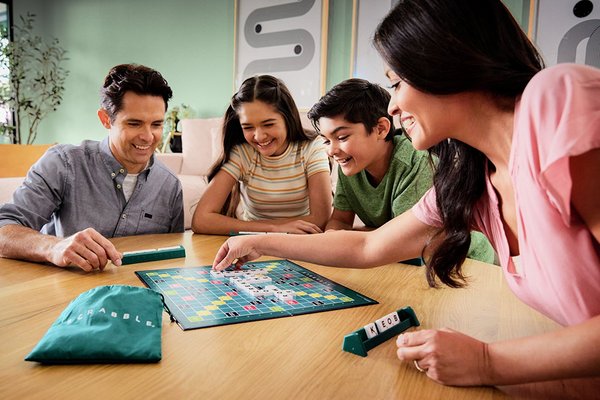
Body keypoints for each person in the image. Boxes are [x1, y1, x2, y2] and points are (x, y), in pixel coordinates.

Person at [211, 0, 600, 392]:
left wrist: (488, 362)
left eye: (397, 82)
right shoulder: (470, 179)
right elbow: (369, 248)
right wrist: (260, 241)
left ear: (444, 60)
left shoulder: (556, 101)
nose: (393, 105)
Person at [0, 63, 184, 272]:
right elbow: (3, 230)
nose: (148, 136)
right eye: (134, 124)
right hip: (63, 296)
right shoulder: (63, 163)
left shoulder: (170, 186)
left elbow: (173, 258)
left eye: (157, 124)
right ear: (106, 119)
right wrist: (54, 246)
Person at [309, 78, 496, 264]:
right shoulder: (351, 163)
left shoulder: (416, 163)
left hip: (462, 261)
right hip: (395, 258)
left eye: (342, 137)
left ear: (381, 129)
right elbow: (340, 221)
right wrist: (334, 237)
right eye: (326, 140)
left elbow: (405, 244)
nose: (332, 151)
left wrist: (352, 237)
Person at [191, 75, 332, 235]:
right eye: (248, 127)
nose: (259, 136)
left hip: (301, 241)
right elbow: (201, 220)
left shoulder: (312, 148)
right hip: (254, 241)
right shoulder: (243, 153)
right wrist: (274, 229)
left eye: (268, 124)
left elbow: (321, 219)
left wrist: (275, 230)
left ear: (288, 118)